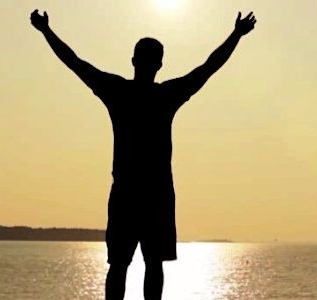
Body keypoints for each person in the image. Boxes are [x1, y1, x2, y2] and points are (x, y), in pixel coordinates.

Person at [30, 9, 256, 300]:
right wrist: (236, 35)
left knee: (122, 265)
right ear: (159, 64)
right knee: (150, 264)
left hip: (129, 192)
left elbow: (75, 63)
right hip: (154, 193)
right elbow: (208, 67)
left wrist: (46, 31)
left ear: (134, 61)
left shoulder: (118, 91)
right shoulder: (165, 95)